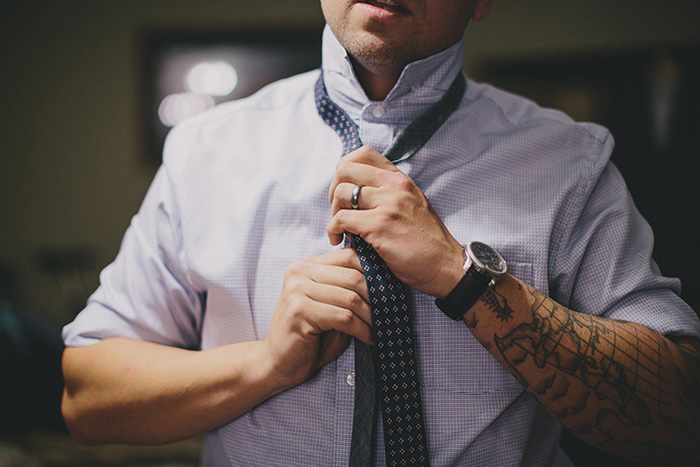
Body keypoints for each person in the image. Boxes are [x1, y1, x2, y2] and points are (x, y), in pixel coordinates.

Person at [61, 0, 700, 465]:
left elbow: (677, 413)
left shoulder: (569, 161)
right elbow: (87, 398)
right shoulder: (205, 152)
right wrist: (265, 366)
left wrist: (463, 276)